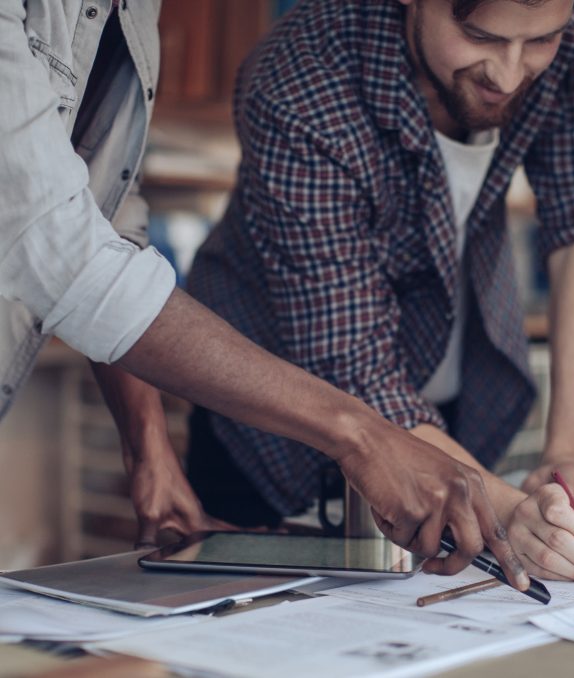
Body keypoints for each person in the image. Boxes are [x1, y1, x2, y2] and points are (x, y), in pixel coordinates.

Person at [0, 0, 532, 589]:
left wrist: (147, 446)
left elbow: (107, 217)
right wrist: (359, 432)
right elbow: (57, 246)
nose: (509, 74)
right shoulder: (299, 76)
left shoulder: (135, 13)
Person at [183, 0, 574, 581]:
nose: (508, 75)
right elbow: (351, 367)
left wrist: (571, 456)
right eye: (479, 35)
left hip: (446, 421)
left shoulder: (568, 13)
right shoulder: (301, 77)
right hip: (277, 437)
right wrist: (509, 512)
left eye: (539, 43)